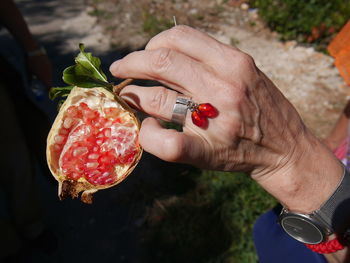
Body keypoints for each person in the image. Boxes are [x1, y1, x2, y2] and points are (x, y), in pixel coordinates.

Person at [109, 25, 350, 262]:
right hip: (317, 205)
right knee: (267, 232)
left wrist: (291, 157)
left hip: (330, 218)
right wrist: (332, 142)